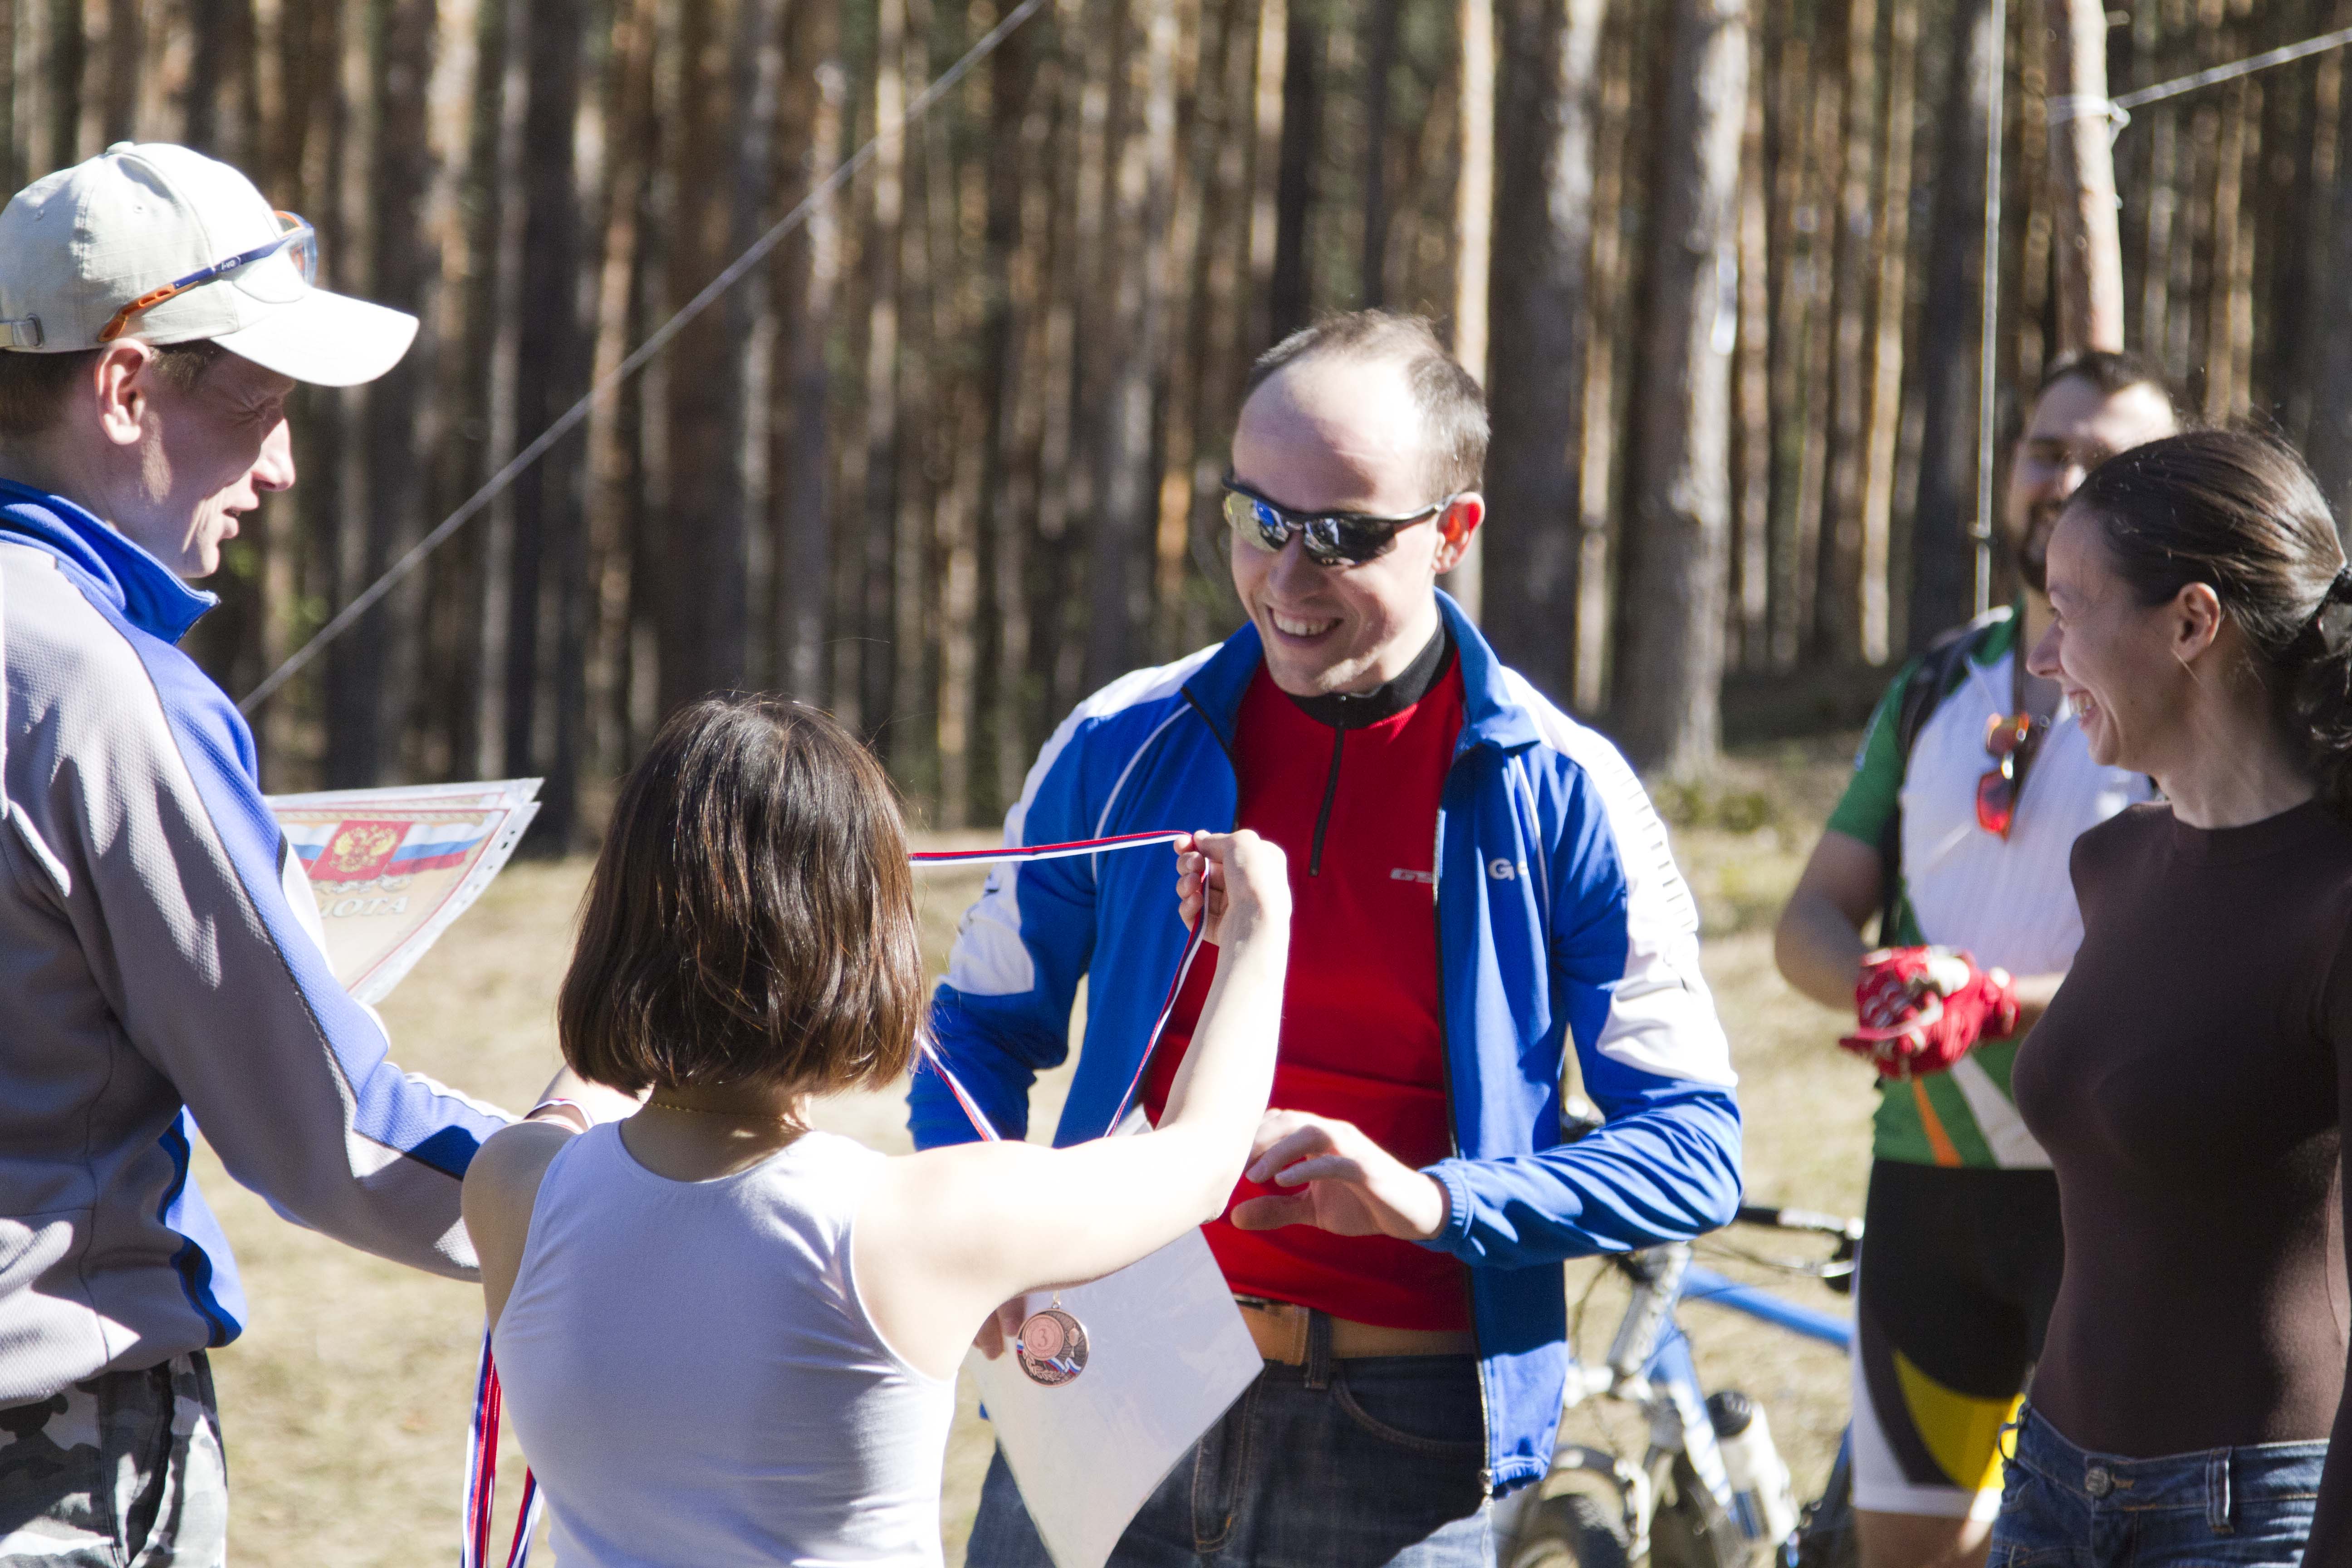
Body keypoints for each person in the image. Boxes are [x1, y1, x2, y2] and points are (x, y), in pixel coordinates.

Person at [916, 310, 1742, 1568]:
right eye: (1260, 520)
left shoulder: (1563, 790)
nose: (1287, 579)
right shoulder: (1119, 742)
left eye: (1345, 537)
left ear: (1454, 532)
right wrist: (989, 1231)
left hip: (1406, 1433)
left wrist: (1435, 1200)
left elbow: (1694, 1152)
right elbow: (972, 1032)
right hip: (1107, 1379)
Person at [0, 143, 619, 1565]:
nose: (281, 467)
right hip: (52, 1464)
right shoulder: (100, 691)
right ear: (126, 387)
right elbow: (334, 1136)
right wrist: (590, 1178)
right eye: (261, 407)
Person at [463, 698, 1292, 1567]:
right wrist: (1259, 925)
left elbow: (582, 1089)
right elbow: (1203, 1160)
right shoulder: (915, 1223)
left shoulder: (514, 1183)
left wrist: (654, 961)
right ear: (857, 940)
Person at [1773, 352, 2175, 1568]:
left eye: (2107, 460)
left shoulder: (2185, 690)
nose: (2067, 478)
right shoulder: (1938, 680)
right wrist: (1884, 984)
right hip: (1925, 1192)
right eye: (2047, 450)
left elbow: (2194, 954)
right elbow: (1808, 921)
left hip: (2107, 1195)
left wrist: (1999, 1002)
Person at [1994, 429, 2352, 1566]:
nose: (2043, 657)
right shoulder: (2112, 864)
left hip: (2254, 1522)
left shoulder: (2338, 908)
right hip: (2046, 1490)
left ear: (2193, 622)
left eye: (2068, 612)